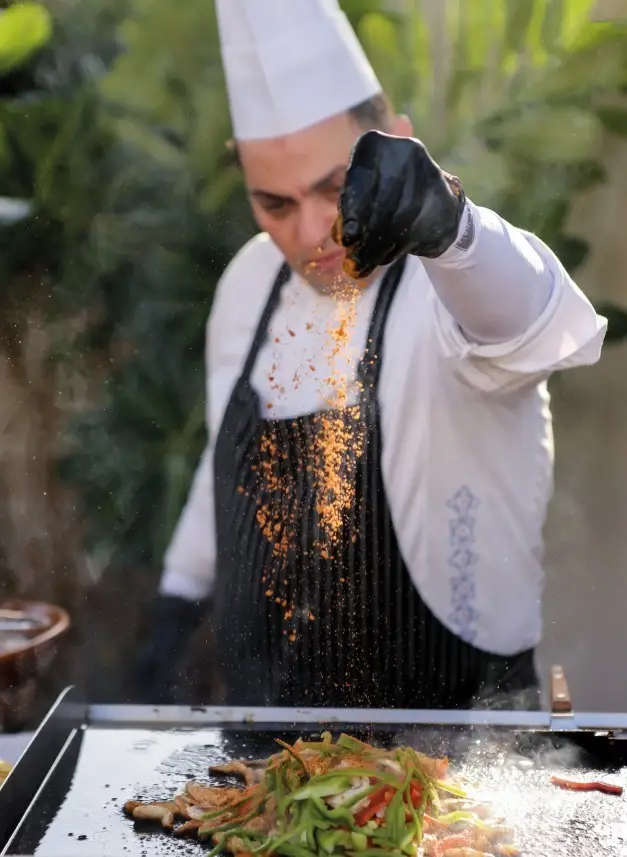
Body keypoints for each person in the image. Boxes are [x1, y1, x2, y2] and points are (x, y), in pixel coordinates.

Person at [133, 0, 606, 710]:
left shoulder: (450, 284)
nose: (313, 230)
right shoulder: (247, 283)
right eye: (275, 203)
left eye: (333, 186)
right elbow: (224, 459)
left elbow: (534, 319)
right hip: (265, 753)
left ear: (397, 143)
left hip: (458, 756)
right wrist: (176, 599)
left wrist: (451, 224)